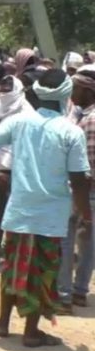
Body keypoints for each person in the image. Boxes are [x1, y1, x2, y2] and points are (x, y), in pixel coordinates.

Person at [0, 69, 91, 348]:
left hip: (19, 210)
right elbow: (79, 179)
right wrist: (86, 215)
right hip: (51, 216)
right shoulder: (71, 132)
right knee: (42, 271)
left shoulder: (19, 121)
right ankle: (31, 331)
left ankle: (3, 322)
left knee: (13, 267)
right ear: (65, 94)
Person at [0, 75, 34, 267]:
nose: (4, 92)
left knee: (17, 213)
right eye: (2, 89)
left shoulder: (27, 112)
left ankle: (14, 253)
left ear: (17, 89)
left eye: (8, 89)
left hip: (17, 170)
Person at [59, 66, 95, 314]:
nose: (72, 93)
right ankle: (80, 291)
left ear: (87, 90)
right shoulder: (82, 114)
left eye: (75, 88)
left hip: (82, 190)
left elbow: (89, 162)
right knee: (88, 242)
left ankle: (66, 294)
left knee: (67, 239)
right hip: (85, 189)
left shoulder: (91, 120)